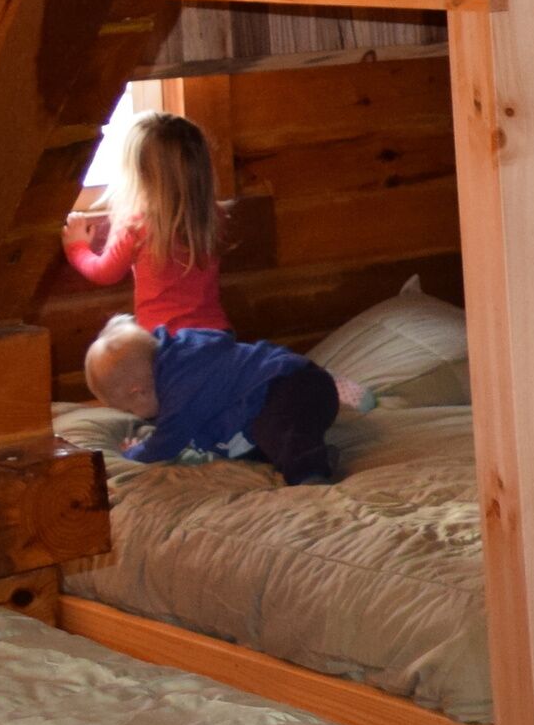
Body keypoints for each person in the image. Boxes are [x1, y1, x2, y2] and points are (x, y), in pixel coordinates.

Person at [84, 318, 360, 485]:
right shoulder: (180, 358)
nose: (138, 416)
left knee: (275, 428)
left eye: (130, 409)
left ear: (139, 392)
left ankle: (309, 474)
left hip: (294, 385)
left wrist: (133, 453)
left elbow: (165, 444)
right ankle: (316, 453)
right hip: (287, 398)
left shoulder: (181, 388)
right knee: (253, 448)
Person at [63, 113, 232, 332]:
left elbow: (105, 272)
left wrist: (77, 247)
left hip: (164, 341)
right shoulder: (212, 217)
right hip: (215, 333)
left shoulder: (139, 225)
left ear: (140, 175)